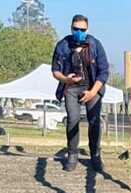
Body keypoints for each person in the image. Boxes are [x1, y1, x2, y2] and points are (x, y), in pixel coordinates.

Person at [51, 14, 109, 172]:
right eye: (76, 29)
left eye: (82, 29)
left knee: (95, 120)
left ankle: (95, 155)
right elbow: (55, 71)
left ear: (87, 29)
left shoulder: (95, 44)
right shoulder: (63, 45)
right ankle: (72, 154)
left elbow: (104, 72)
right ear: (71, 28)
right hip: (71, 88)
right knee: (72, 119)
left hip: (92, 87)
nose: (79, 32)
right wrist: (65, 79)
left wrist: (93, 92)